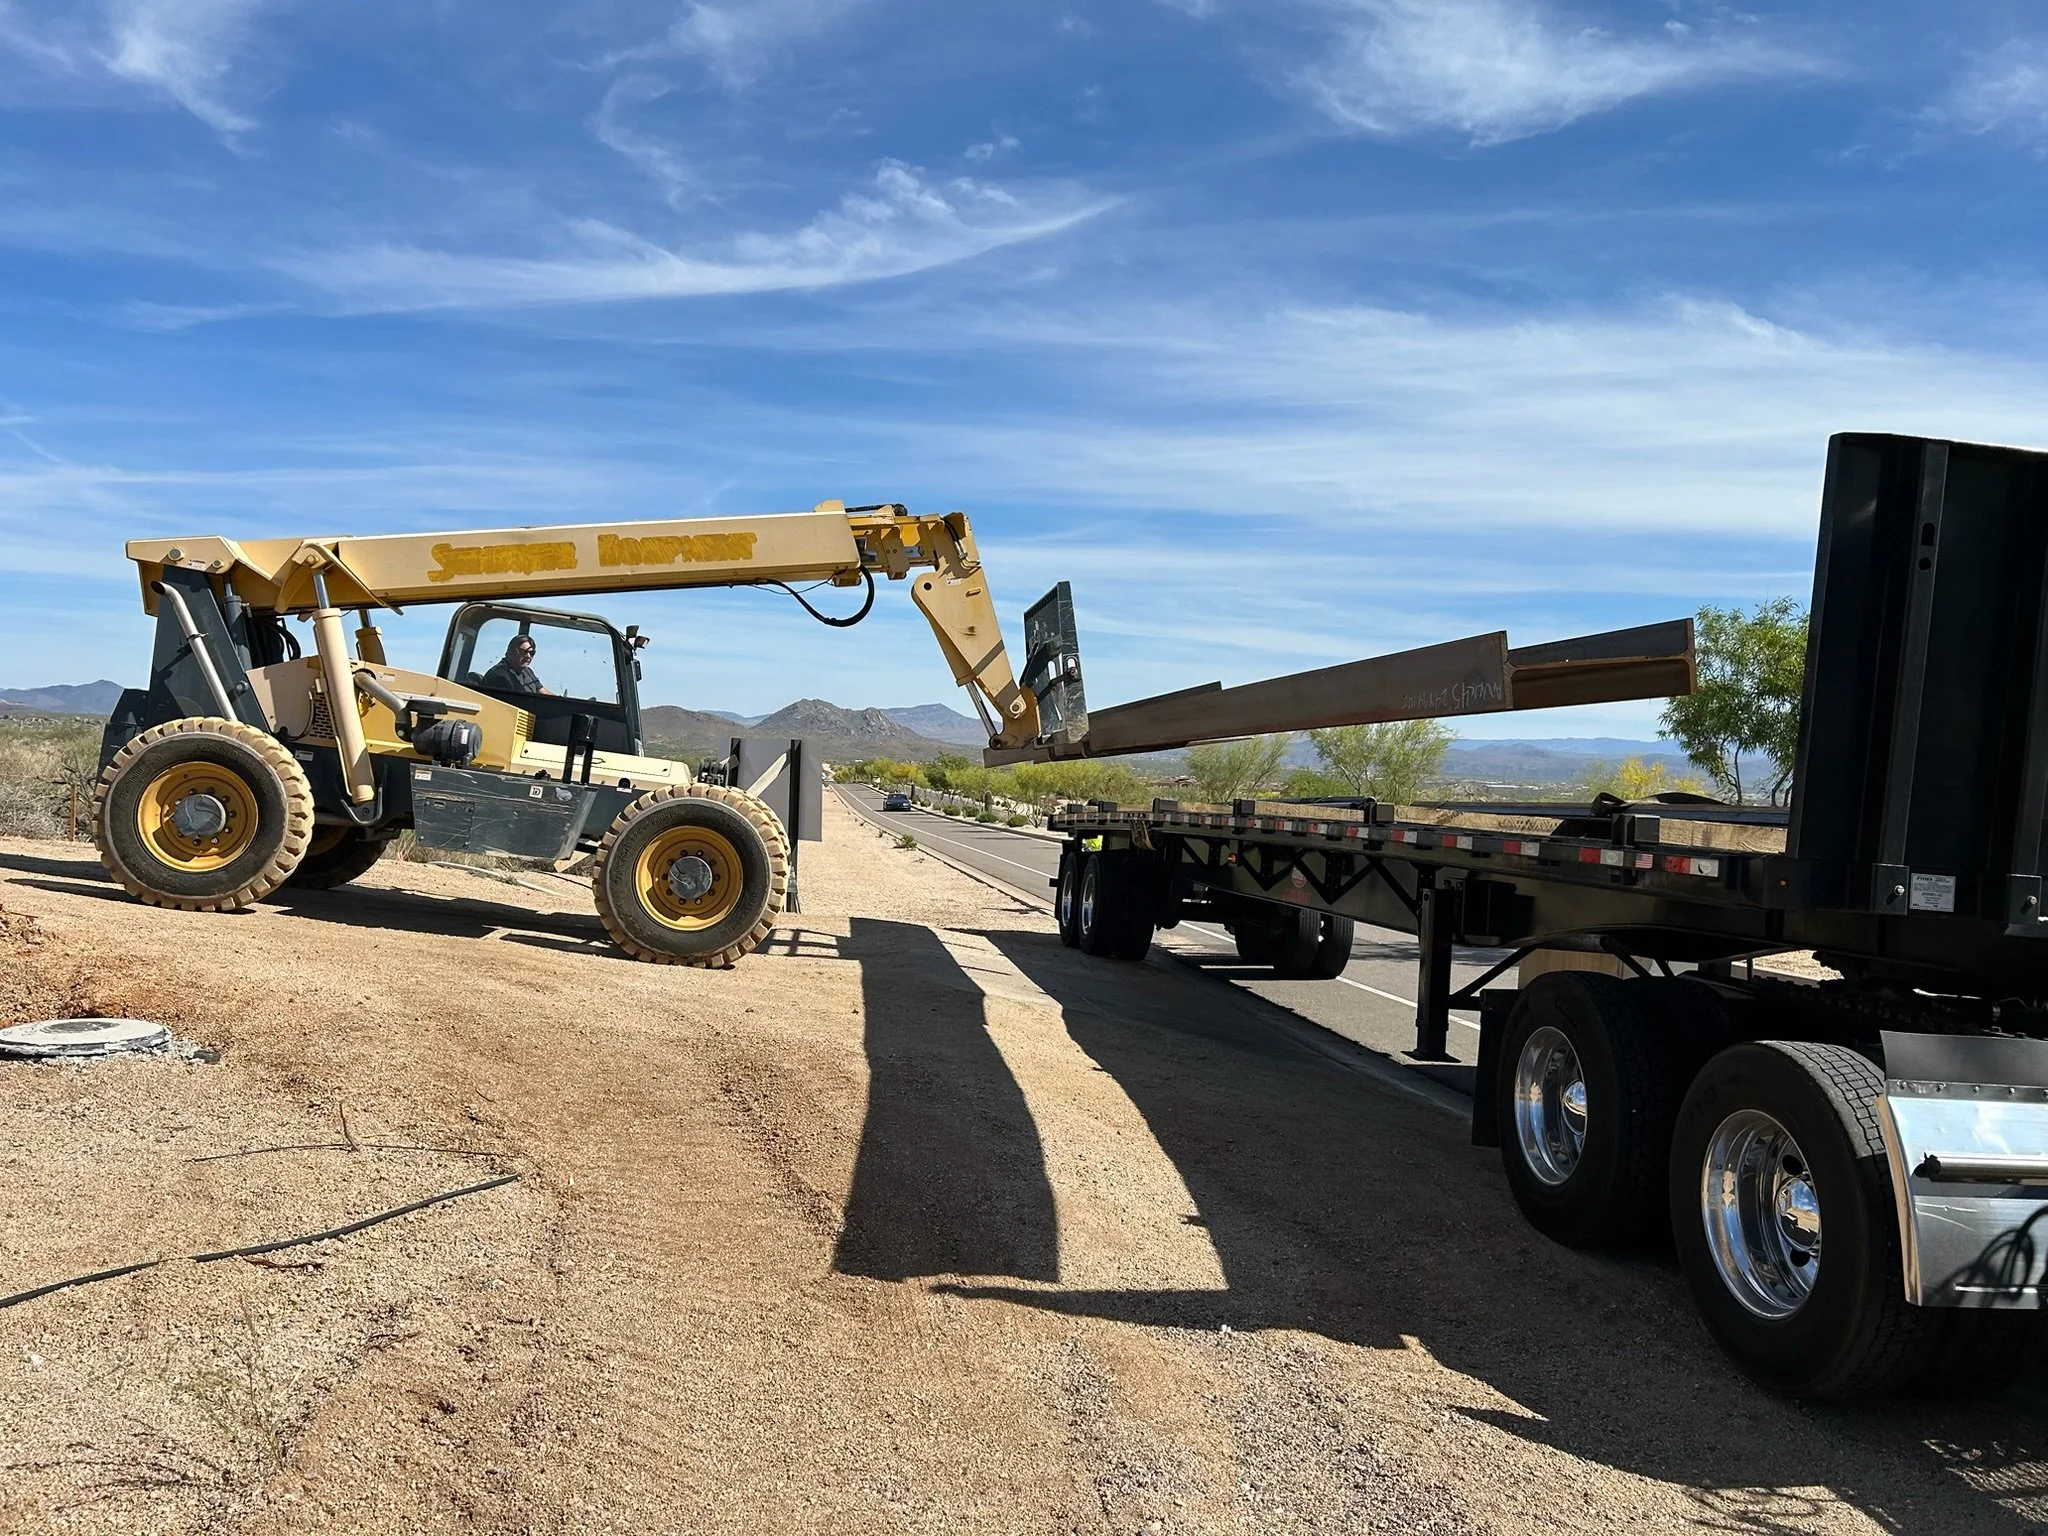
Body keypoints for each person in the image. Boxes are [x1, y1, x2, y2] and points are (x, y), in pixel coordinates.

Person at [482, 634, 550, 695]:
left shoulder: (528, 671)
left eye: (532, 653)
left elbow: (542, 691)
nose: (528, 656)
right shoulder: (498, 675)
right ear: (511, 651)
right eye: (524, 652)